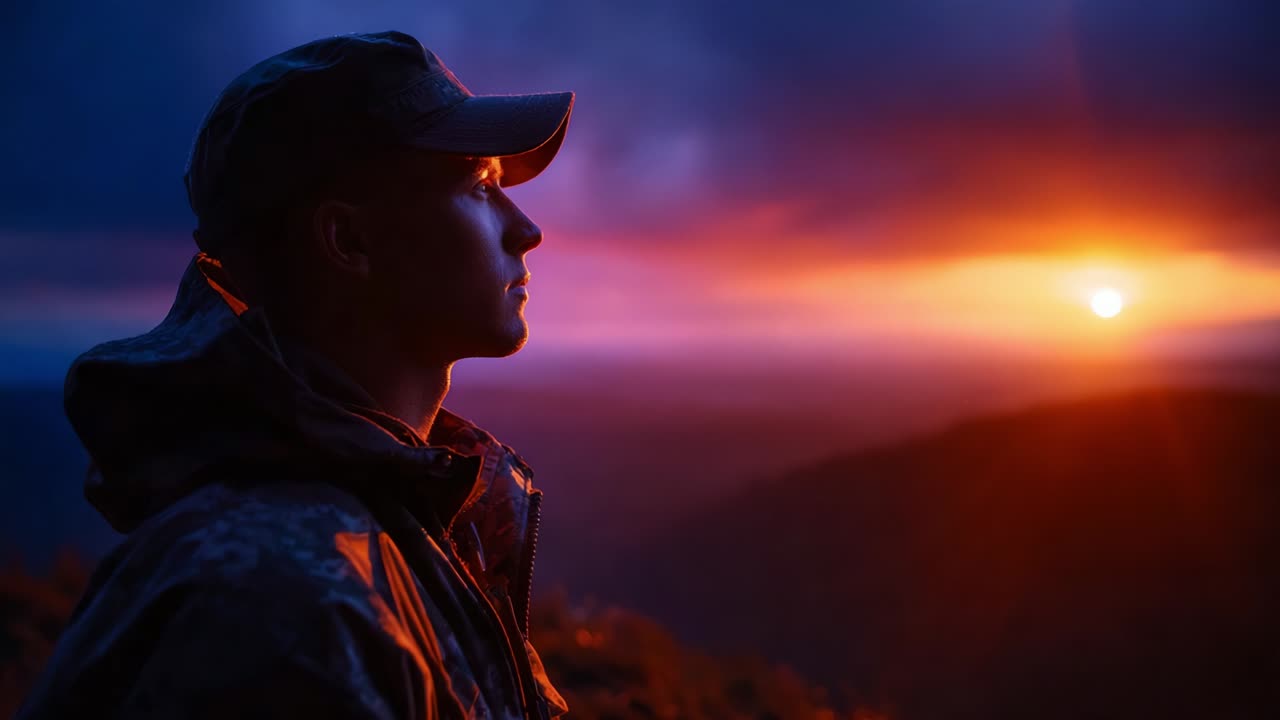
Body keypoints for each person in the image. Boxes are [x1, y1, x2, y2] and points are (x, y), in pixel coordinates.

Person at [16, 30, 574, 719]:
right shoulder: (283, 602)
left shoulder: (381, 535)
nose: (527, 229)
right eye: (481, 186)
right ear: (348, 241)